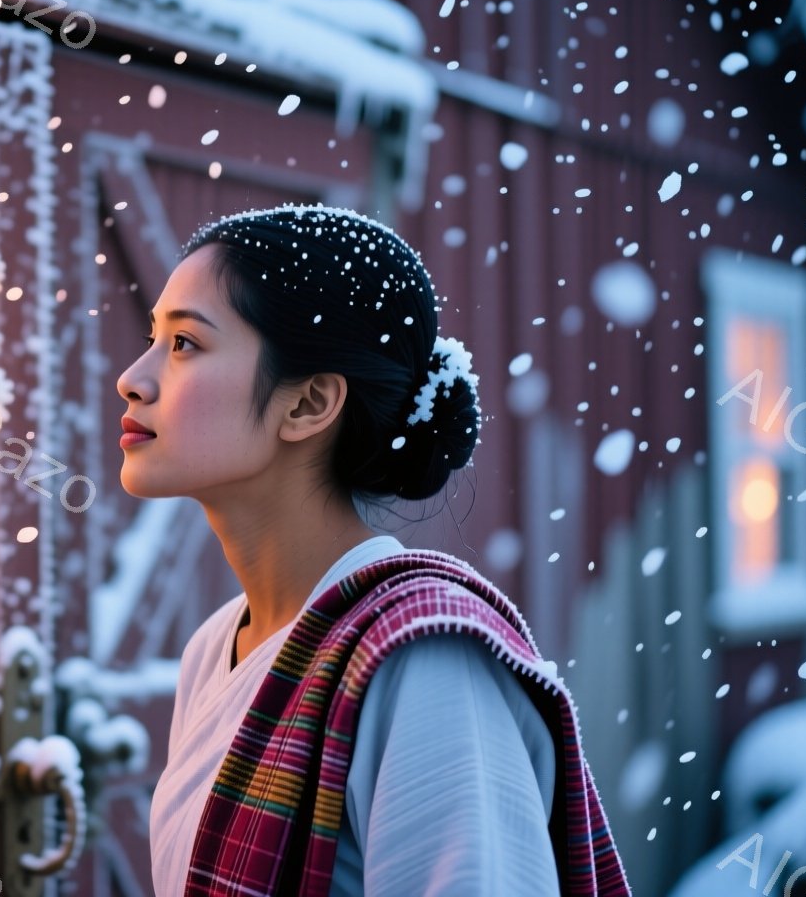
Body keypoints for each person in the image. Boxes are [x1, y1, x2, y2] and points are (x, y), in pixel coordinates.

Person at [120, 204, 629, 896]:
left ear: (308, 405)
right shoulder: (213, 650)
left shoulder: (426, 661)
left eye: (184, 344)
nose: (134, 377)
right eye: (155, 338)